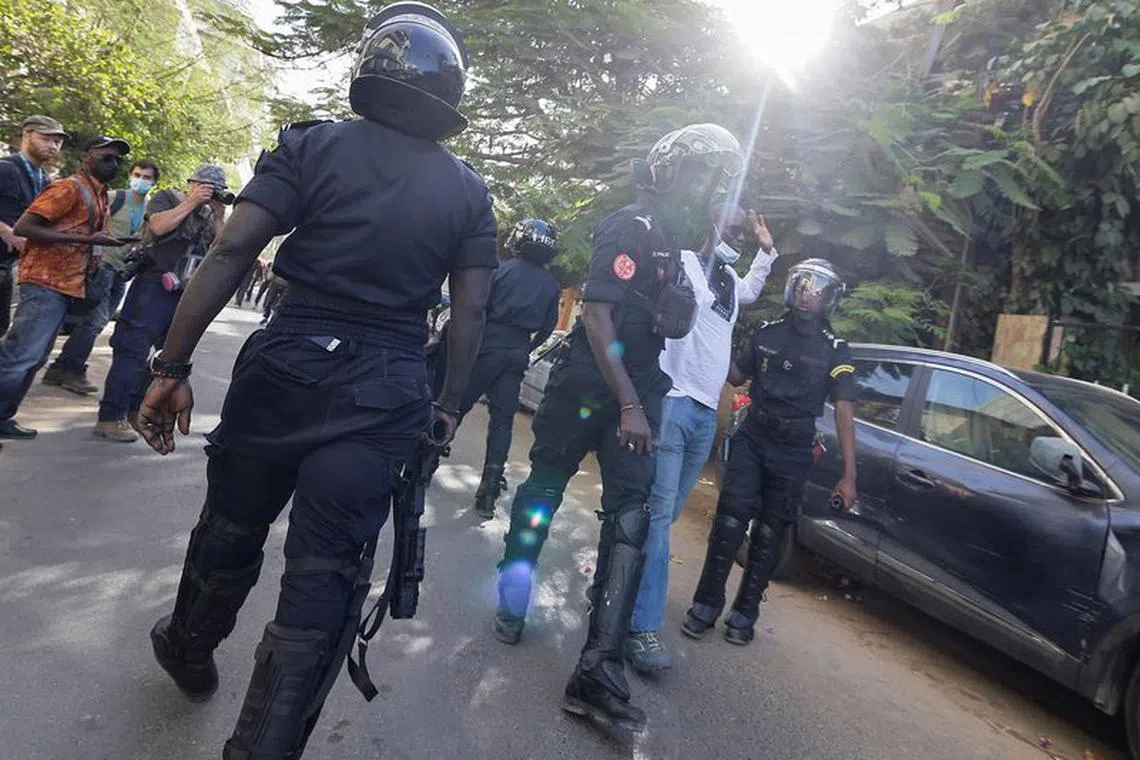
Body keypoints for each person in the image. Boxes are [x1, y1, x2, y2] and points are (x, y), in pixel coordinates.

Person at [135, 4, 496, 758]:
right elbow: (469, 318)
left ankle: (188, 646)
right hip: (389, 384)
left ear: (369, 68)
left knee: (232, 526)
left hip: (288, 362)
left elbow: (232, 253)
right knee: (327, 575)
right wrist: (448, 405)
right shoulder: (468, 192)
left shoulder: (313, 146)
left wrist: (169, 368)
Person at [492, 123, 743, 733]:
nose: (706, 187)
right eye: (699, 172)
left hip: (643, 386)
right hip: (590, 386)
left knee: (631, 519)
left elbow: (670, 324)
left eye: (715, 178)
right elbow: (599, 314)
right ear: (666, 170)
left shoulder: (677, 244)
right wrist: (630, 404)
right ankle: (513, 587)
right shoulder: (630, 225)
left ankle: (598, 669)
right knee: (544, 489)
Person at [624, 202, 778, 674]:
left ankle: (616, 580)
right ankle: (641, 628)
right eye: (731, 228)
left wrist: (767, 252)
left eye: (743, 234)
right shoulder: (686, 263)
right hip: (673, 401)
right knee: (657, 513)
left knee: (664, 515)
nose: (738, 237)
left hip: (707, 414)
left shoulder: (731, 283)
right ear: (711, 227)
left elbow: (752, 288)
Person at [682, 258, 858, 646]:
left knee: (768, 531)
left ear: (829, 297)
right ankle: (705, 605)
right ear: (791, 288)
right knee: (729, 521)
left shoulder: (836, 350)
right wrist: (706, 330)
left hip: (794, 448)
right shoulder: (766, 333)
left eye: (817, 288)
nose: (807, 293)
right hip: (753, 437)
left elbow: (845, 408)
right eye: (801, 284)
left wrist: (849, 475)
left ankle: (745, 614)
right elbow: (736, 375)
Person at [0, 135, 131, 441]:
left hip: (66, 284)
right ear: (88, 156)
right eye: (107, 157)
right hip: (45, 280)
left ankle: (3, 416)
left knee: (34, 356)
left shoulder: (100, 194)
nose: (113, 164)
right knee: (22, 354)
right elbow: (24, 227)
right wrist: (88, 241)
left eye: (117, 159)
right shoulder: (69, 187)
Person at [92, 163, 226, 442]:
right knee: (132, 351)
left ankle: (134, 410)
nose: (209, 194)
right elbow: (158, 225)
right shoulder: (168, 198)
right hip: (153, 286)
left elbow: (223, 251)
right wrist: (191, 202)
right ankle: (109, 417)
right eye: (206, 187)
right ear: (191, 183)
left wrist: (218, 215)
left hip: (183, 293)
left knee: (163, 360)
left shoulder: (209, 214)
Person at [449, 218, 561, 518]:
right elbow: (549, 326)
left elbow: (479, 308)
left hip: (489, 344)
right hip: (517, 352)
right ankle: (488, 492)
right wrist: (526, 345)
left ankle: (426, 462)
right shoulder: (551, 285)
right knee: (502, 422)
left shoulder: (501, 269)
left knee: (456, 405)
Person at [42, 159, 159, 394]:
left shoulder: (149, 208)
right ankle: (72, 369)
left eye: (147, 178)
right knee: (94, 321)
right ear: (130, 175)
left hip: (120, 271)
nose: (141, 181)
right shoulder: (116, 197)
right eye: (138, 175)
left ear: (154, 183)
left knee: (97, 322)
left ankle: (59, 368)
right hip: (102, 266)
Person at [0, 115, 68, 336]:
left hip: (10, 267)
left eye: (57, 141)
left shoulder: (46, 180)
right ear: (27, 135)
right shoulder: (6, 168)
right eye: (46, 139)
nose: (52, 146)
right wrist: (5, 231)